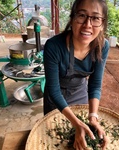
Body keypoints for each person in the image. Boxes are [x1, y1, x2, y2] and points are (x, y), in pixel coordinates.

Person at [43, 0, 109, 149]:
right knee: (54, 136)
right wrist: (77, 123)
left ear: (102, 23)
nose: (87, 24)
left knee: (78, 135)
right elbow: (54, 90)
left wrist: (93, 117)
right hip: (55, 97)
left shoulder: (102, 46)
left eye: (95, 18)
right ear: (72, 19)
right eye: (81, 15)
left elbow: (95, 84)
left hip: (80, 93)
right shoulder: (54, 46)